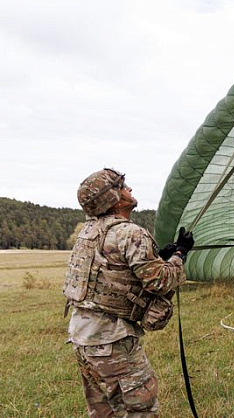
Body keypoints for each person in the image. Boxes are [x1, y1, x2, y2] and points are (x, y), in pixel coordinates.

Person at [63, 168, 194, 417]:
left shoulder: (89, 232)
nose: (129, 189)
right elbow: (161, 282)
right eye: (122, 186)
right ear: (112, 198)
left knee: (104, 411)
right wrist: (179, 256)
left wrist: (160, 257)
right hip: (112, 341)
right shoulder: (130, 233)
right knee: (140, 409)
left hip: (83, 339)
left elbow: (115, 270)